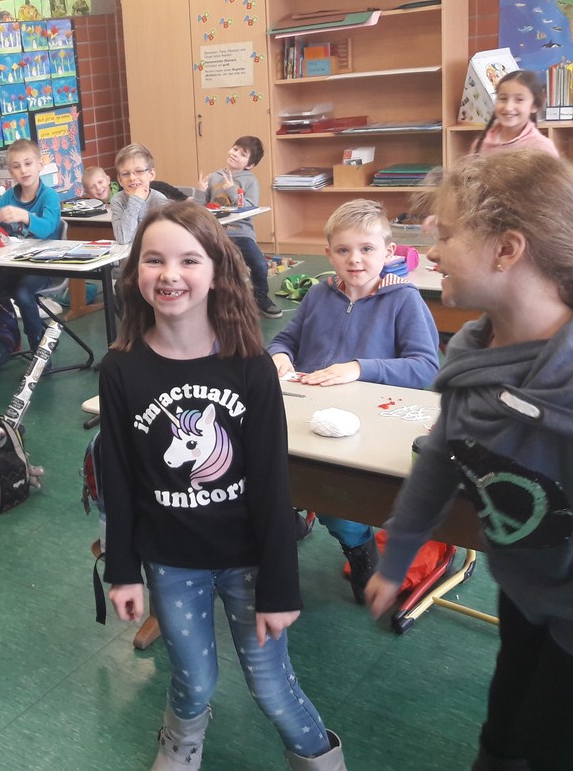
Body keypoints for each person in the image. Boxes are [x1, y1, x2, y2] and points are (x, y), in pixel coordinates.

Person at [366, 151, 573, 771]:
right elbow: (443, 456)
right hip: (526, 586)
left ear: (507, 249)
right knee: (502, 730)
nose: (432, 252)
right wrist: (399, 553)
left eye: (445, 235)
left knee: (553, 750)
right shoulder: (474, 347)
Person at [100, 200, 346, 770]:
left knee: (272, 687)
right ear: (135, 273)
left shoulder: (251, 367)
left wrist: (281, 586)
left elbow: (272, 486)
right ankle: (180, 744)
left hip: (248, 560)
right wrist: (122, 569)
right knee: (194, 680)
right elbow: (119, 476)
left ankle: (319, 760)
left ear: (216, 273)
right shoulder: (120, 369)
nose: (170, 274)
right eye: (154, 260)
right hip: (170, 561)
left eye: (189, 260)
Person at [267, 199, 439, 602]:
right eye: (343, 250)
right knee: (271, 470)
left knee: (334, 495)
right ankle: (289, 516)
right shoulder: (318, 294)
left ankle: (358, 546)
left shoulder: (404, 300)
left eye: (366, 249)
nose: (354, 259)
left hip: (366, 424)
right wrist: (279, 355)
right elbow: (285, 339)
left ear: (388, 252)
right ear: (329, 255)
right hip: (306, 411)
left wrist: (359, 368)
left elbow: (425, 367)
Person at [0, 139, 62, 377]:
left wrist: (24, 216)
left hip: (44, 266)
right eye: (17, 166)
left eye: (28, 164)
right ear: (10, 172)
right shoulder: (9, 196)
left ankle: (39, 351)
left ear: (40, 165)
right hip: (12, 266)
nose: (24, 170)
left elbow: (49, 228)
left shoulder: (48, 196)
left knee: (23, 293)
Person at [198, 135, 283, 318]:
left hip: (240, 232)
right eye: (235, 149)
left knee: (259, 264)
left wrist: (231, 190)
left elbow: (251, 208)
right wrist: (200, 192)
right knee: (208, 264)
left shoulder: (249, 181)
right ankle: (210, 302)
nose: (235, 154)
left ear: (249, 165)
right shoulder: (214, 177)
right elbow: (203, 207)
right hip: (215, 233)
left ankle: (260, 298)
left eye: (243, 154)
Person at [471, 70, 559, 157]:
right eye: (503, 98)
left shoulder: (542, 148)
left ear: (534, 105)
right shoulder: (480, 144)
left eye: (519, 100)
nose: (508, 107)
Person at [109, 143, 167, 244]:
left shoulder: (159, 200)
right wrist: (136, 200)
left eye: (139, 171)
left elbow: (165, 239)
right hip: (128, 253)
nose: (132, 178)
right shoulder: (118, 200)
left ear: (151, 174)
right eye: (125, 174)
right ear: (120, 180)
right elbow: (123, 238)